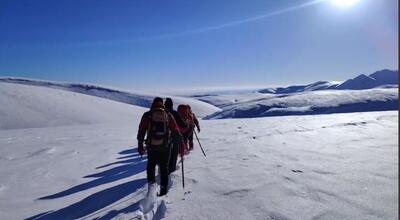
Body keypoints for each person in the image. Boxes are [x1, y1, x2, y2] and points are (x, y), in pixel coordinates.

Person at [137, 97, 179, 196]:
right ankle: (163, 190)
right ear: (162, 104)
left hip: (152, 146)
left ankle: (152, 188)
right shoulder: (168, 114)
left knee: (151, 167)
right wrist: (174, 143)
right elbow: (175, 130)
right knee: (164, 168)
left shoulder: (147, 115)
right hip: (165, 146)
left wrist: (140, 145)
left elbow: (141, 131)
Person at [164, 98, 187, 174]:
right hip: (175, 136)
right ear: (172, 105)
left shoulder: (161, 113)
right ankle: (171, 171)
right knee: (173, 154)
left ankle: (163, 172)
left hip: (163, 138)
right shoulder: (175, 113)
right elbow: (183, 125)